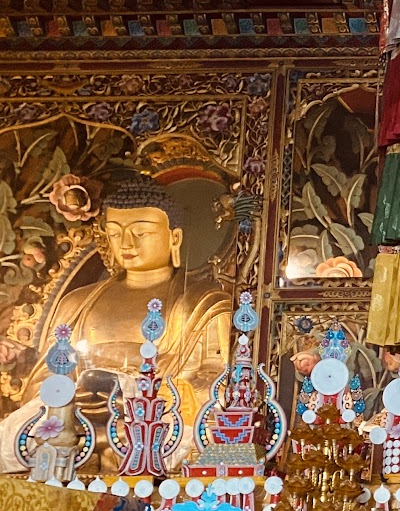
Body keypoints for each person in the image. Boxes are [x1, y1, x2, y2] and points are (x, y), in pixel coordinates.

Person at [1, 177, 232, 472]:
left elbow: (213, 384)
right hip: (78, 423)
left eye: (141, 232)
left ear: (174, 238)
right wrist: (75, 392)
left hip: (152, 423)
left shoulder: (202, 301)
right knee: (22, 437)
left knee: (185, 442)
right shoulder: (77, 302)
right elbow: (42, 382)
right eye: (115, 233)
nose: (126, 244)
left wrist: (135, 393)